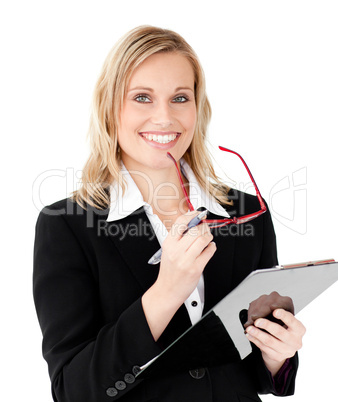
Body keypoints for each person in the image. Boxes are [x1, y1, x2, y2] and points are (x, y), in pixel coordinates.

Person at [33, 25, 306, 402]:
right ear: (110, 108)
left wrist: (278, 355)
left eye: (180, 97)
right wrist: (165, 292)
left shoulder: (247, 213)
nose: (164, 118)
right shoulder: (66, 225)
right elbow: (74, 390)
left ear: (198, 108)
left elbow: (252, 369)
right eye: (142, 97)